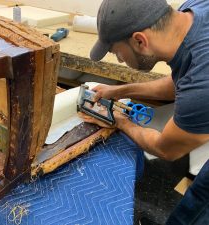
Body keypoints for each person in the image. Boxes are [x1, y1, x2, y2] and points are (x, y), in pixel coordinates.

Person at [79, 0, 209, 224]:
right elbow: (180, 82)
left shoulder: (202, 83)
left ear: (140, 40)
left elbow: (165, 149)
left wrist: (120, 122)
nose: (120, 60)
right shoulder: (193, 11)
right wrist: (120, 90)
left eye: (118, 53)